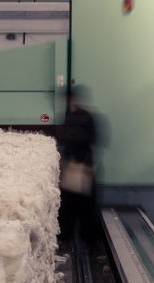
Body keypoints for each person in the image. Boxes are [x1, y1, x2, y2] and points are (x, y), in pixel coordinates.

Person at [57, 85, 100, 241]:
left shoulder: (81, 117)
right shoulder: (75, 116)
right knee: (79, 204)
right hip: (79, 165)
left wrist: (70, 137)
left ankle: (77, 238)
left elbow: (91, 138)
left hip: (79, 166)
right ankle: (82, 238)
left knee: (77, 204)